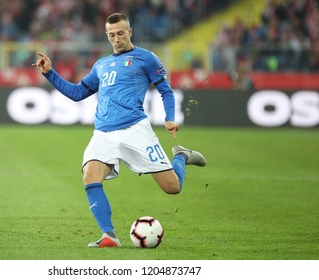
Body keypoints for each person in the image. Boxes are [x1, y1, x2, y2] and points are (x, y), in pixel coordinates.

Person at [33, 13, 206, 248]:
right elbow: (77, 94)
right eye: (112, 35)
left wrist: (169, 118)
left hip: (136, 130)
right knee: (90, 176)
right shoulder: (101, 65)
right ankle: (109, 236)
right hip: (103, 133)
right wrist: (49, 73)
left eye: (121, 33)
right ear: (107, 36)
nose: (116, 39)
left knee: (172, 187)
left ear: (130, 32)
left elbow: (166, 91)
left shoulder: (147, 58)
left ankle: (180, 156)